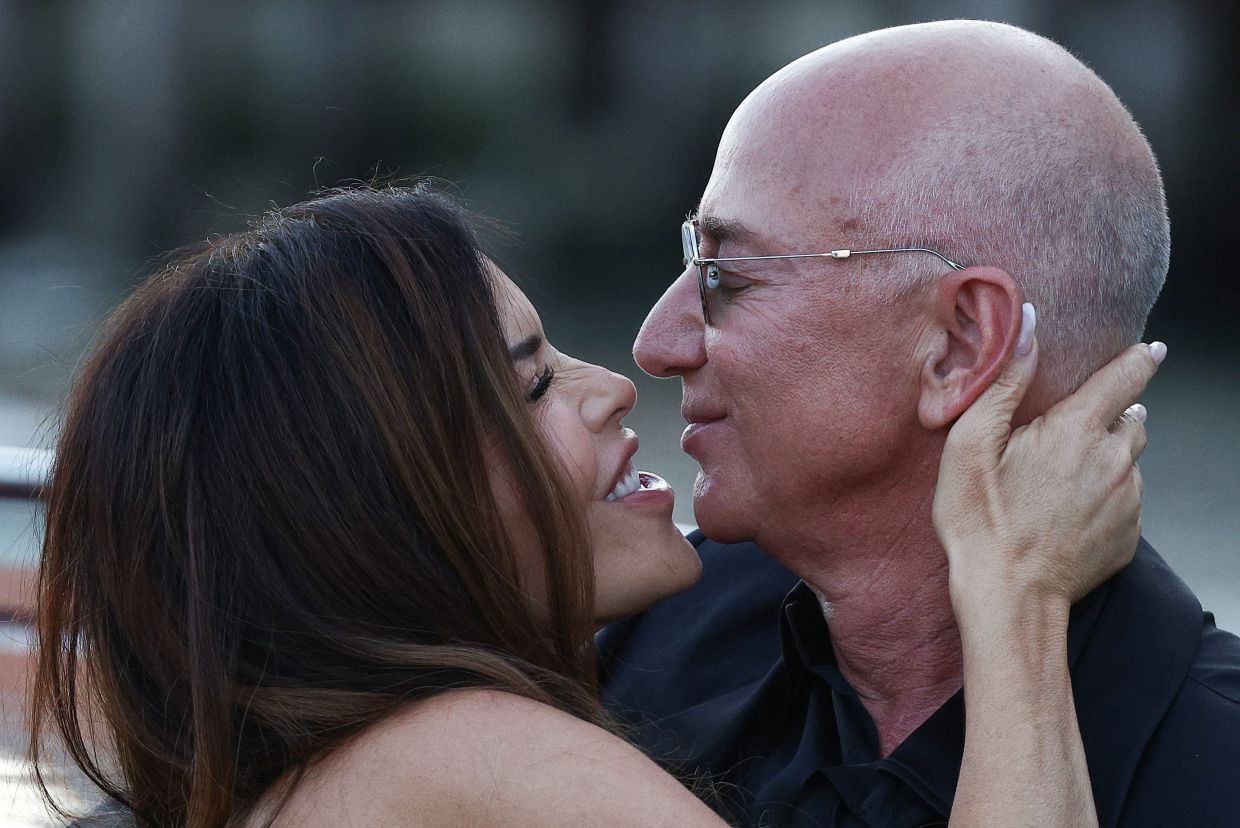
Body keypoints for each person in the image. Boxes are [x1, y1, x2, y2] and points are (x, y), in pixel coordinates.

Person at [30, 185, 1151, 828]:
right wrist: (1019, 593)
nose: (617, 381)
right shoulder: (468, 750)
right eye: (529, 384)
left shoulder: (309, 769)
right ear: (382, 502)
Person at [602, 19, 1240, 828]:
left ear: (960, 346)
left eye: (727, 273)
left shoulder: (1215, 773)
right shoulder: (652, 640)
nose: (657, 345)